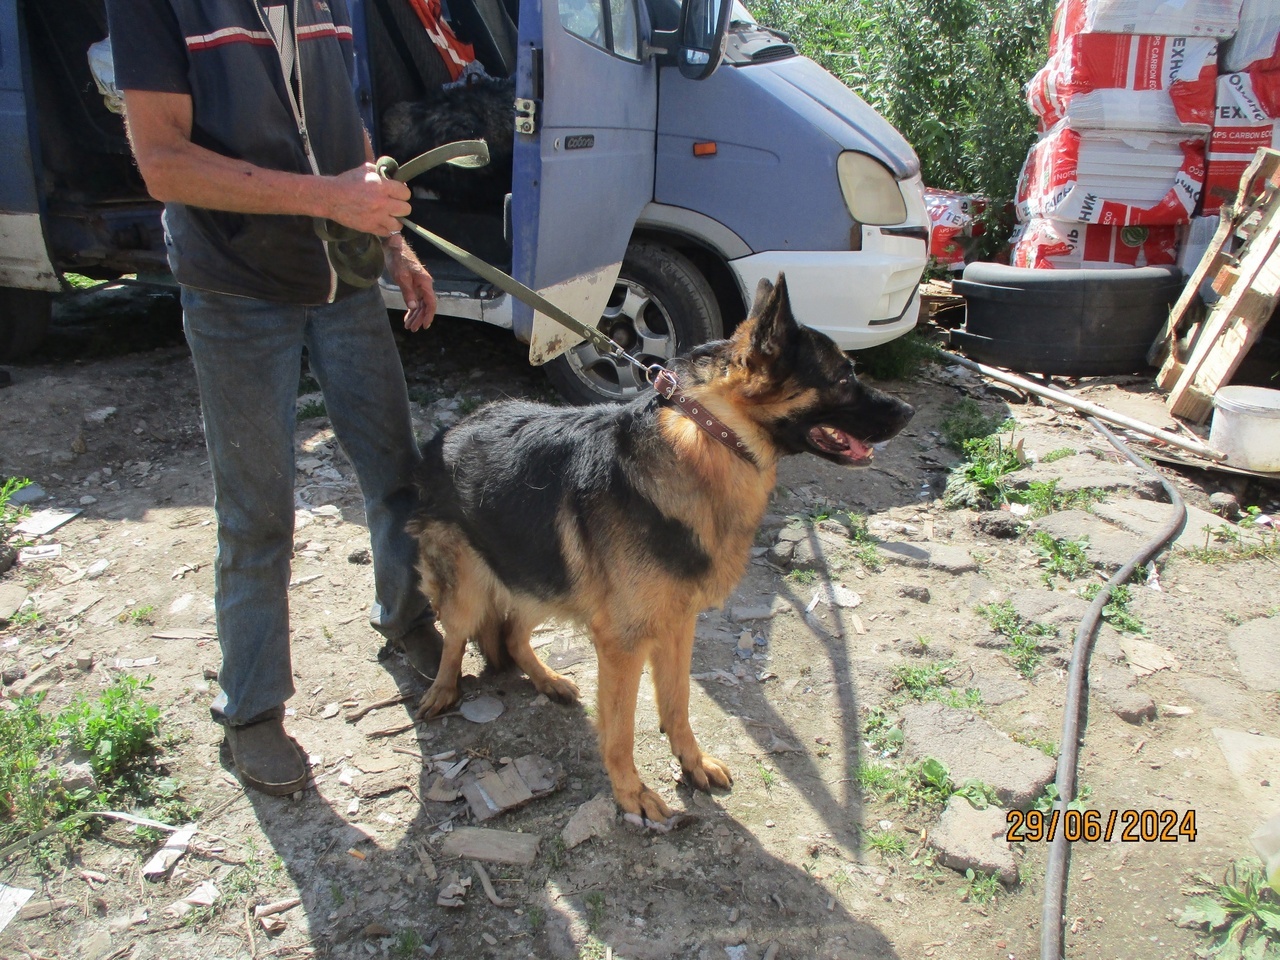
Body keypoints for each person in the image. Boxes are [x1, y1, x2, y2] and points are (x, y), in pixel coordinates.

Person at [105, 0, 445, 796]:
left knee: (397, 472)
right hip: (235, 290)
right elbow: (163, 162)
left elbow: (346, 141)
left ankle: (406, 618)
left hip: (345, 279)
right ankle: (252, 711)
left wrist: (393, 243)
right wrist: (328, 198)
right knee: (257, 510)